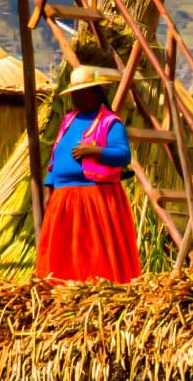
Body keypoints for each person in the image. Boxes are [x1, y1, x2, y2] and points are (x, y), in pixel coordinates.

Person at [37, 64, 141, 284]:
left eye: (82, 92)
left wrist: (95, 151)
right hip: (63, 199)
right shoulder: (69, 120)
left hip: (95, 199)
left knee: (93, 254)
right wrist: (49, 184)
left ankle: (98, 289)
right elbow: (56, 154)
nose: (78, 97)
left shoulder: (109, 122)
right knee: (63, 254)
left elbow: (123, 154)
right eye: (75, 93)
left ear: (96, 93)